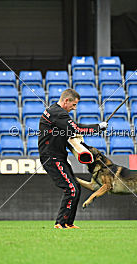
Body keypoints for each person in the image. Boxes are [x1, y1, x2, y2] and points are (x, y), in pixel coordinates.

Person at [38, 89, 108, 229]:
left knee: (75, 188)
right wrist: (98, 127)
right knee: (71, 189)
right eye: (74, 105)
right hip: (51, 157)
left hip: (59, 156)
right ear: (66, 101)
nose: (74, 108)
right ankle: (60, 223)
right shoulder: (57, 113)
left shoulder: (55, 111)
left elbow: (70, 130)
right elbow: (76, 129)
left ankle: (68, 223)